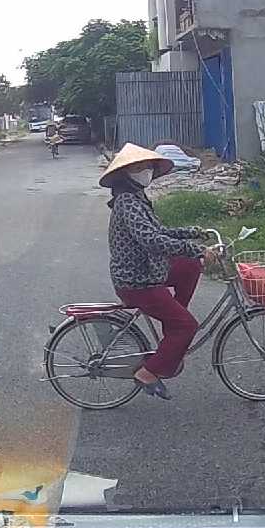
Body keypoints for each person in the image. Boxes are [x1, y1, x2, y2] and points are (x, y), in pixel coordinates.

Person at [100, 144, 216, 401]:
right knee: (187, 325)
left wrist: (193, 232)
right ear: (126, 173)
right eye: (139, 167)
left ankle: (172, 332)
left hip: (149, 271)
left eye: (148, 166)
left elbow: (159, 231)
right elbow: (152, 240)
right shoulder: (127, 202)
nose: (147, 171)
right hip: (137, 282)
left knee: (189, 266)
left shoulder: (137, 198)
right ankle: (148, 373)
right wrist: (195, 248)